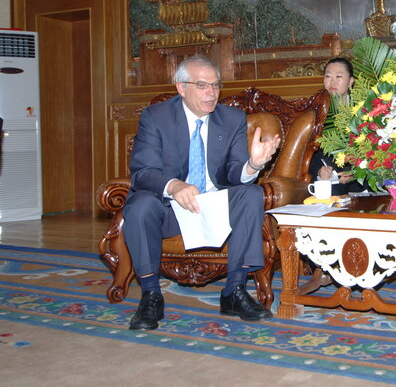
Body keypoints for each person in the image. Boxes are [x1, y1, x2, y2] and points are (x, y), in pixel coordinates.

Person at [122, 55, 281, 331]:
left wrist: (252, 165)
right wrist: (174, 186)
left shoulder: (231, 118)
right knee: (140, 204)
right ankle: (150, 295)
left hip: (214, 204)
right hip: (170, 208)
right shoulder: (156, 117)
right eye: (202, 85)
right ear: (181, 87)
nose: (211, 93)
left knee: (250, 194)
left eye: (216, 86)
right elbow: (142, 171)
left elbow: (232, 174)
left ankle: (234, 291)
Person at [309, 57, 364, 196]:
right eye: (328, 76)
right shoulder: (315, 112)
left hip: (360, 173)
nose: (332, 81)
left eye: (338, 76)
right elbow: (309, 150)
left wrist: (357, 172)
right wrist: (320, 171)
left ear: (351, 81)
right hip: (330, 176)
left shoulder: (363, 110)